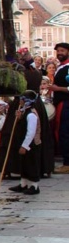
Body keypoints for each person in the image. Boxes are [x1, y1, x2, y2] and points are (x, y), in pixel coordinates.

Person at [9, 91, 45, 195]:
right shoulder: (24, 112)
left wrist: (25, 145)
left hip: (31, 145)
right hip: (24, 143)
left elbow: (31, 132)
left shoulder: (31, 115)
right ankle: (23, 184)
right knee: (24, 164)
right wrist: (19, 118)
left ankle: (34, 186)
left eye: (21, 99)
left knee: (31, 164)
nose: (19, 101)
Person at [50, 42, 69, 174]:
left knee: (65, 133)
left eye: (62, 50)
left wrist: (58, 89)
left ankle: (67, 163)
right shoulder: (61, 67)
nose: (60, 53)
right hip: (61, 103)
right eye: (58, 51)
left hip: (66, 104)